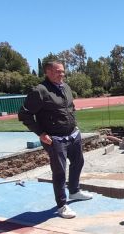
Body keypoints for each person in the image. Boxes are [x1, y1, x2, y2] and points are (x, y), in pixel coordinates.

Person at [18, 60, 93, 219]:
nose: (62, 74)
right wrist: (40, 133)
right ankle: (61, 205)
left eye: (63, 71)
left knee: (78, 162)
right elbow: (24, 114)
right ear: (48, 72)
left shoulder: (66, 87)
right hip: (55, 140)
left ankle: (74, 191)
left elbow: (70, 107)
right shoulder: (40, 91)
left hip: (73, 135)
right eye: (58, 71)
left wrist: (75, 125)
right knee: (59, 172)